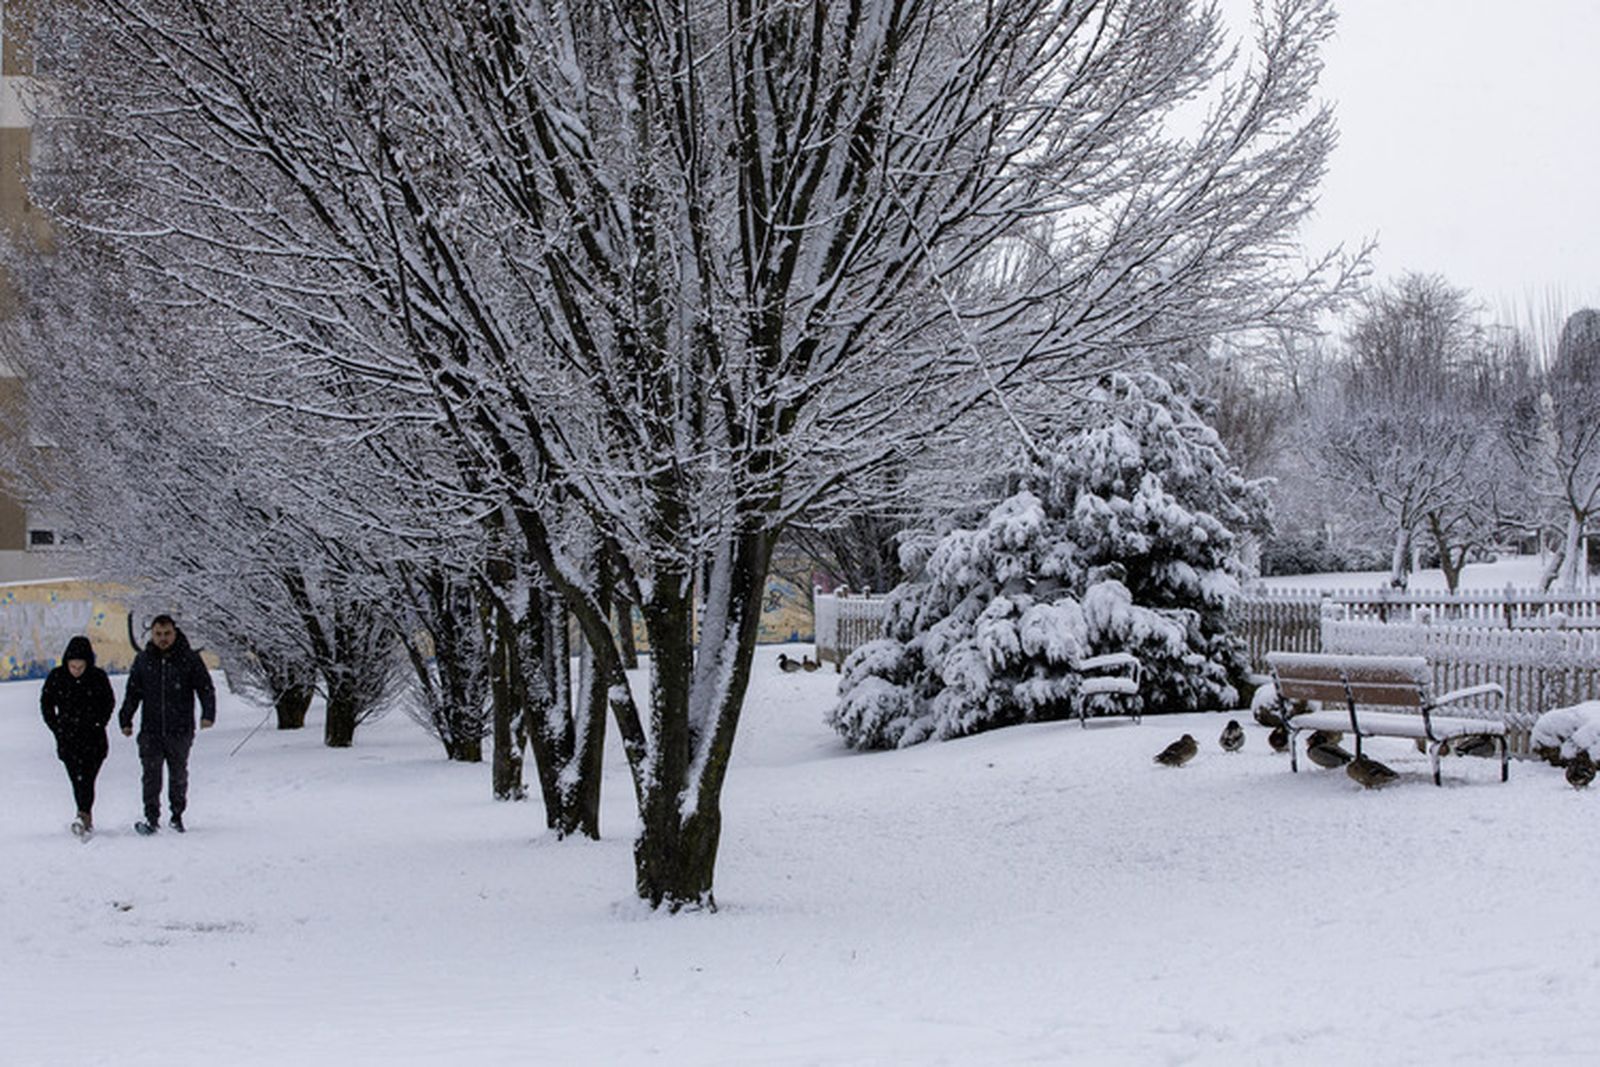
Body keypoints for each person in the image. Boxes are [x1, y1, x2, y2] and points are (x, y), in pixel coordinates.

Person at [119, 614, 217, 835]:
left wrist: (208, 714)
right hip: (151, 729)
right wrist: (126, 719)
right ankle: (151, 817)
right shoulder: (144, 660)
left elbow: (205, 688)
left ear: (175, 632)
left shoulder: (189, 659)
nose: (163, 638)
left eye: (167, 634)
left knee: (178, 773)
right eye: (158, 634)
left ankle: (177, 815)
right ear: (152, 635)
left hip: (180, 728)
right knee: (151, 775)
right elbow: (133, 692)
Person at [40, 635, 116, 837]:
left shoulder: (98, 677)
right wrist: (56, 727)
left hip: (94, 739)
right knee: (77, 778)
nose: (76, 671)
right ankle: (84, 814)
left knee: (88, 778)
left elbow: (108, 702)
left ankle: (83, 814)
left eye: (80, 667)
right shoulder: (57, 677)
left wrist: (99, 723)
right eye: (72, 666)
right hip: (68, 739)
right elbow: (46, 704)